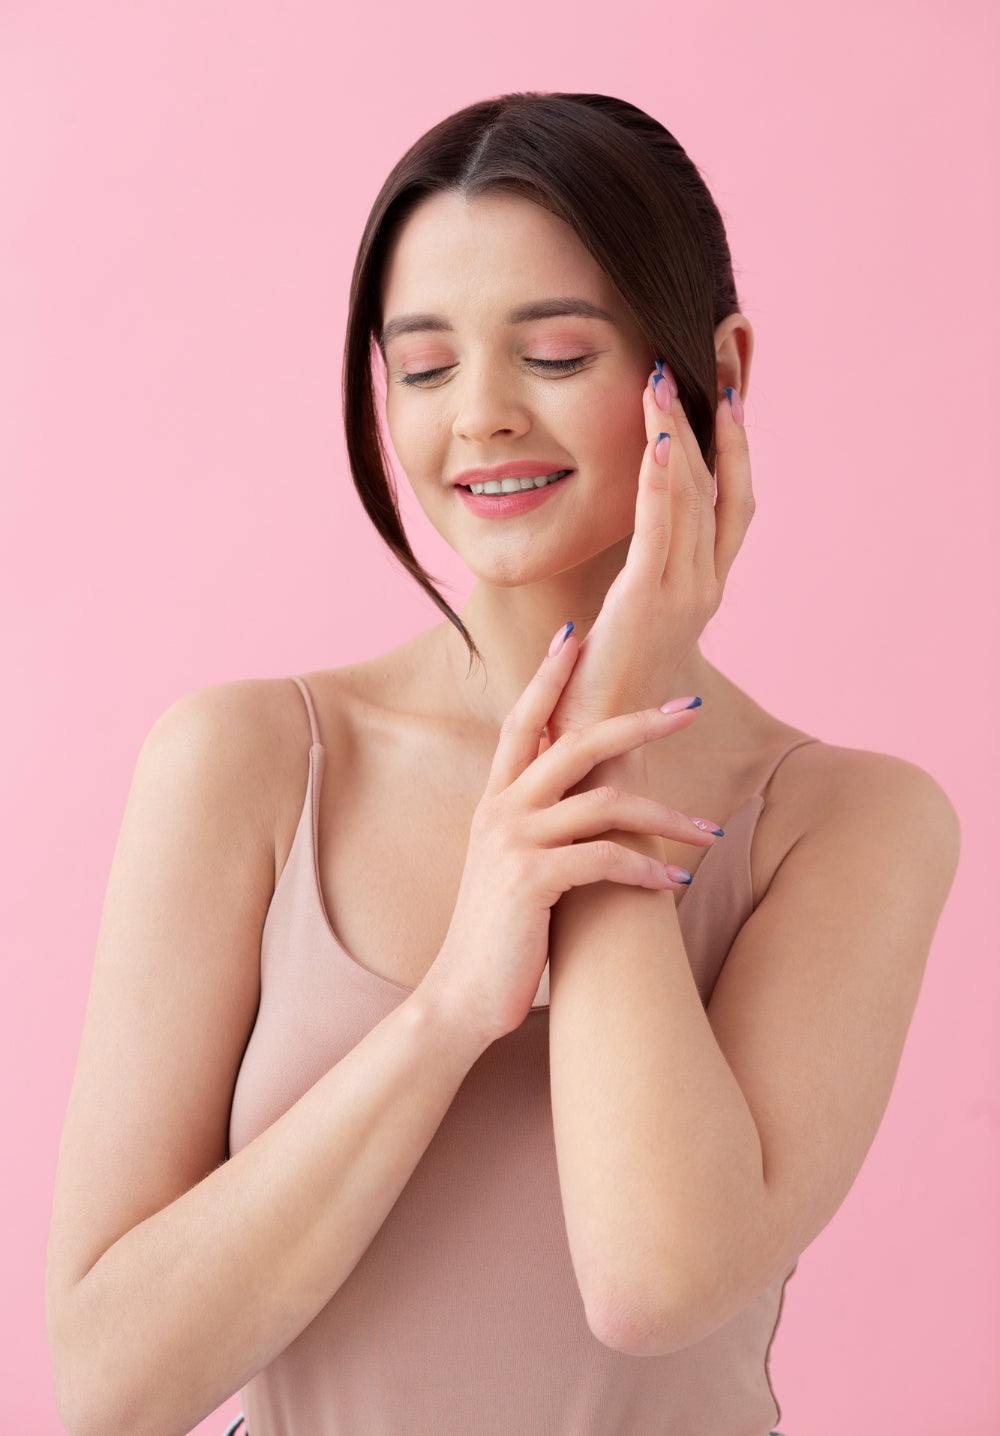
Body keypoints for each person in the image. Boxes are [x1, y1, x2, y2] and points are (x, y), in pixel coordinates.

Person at [45, 91, 960, 1436]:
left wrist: (614, 728)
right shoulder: (243, 764)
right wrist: (448, 1008)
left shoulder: (852, 822)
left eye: (552, 355)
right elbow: (108, 1387)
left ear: (719, 371)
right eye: (422, 370)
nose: (476, 420)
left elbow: (657, 1279)